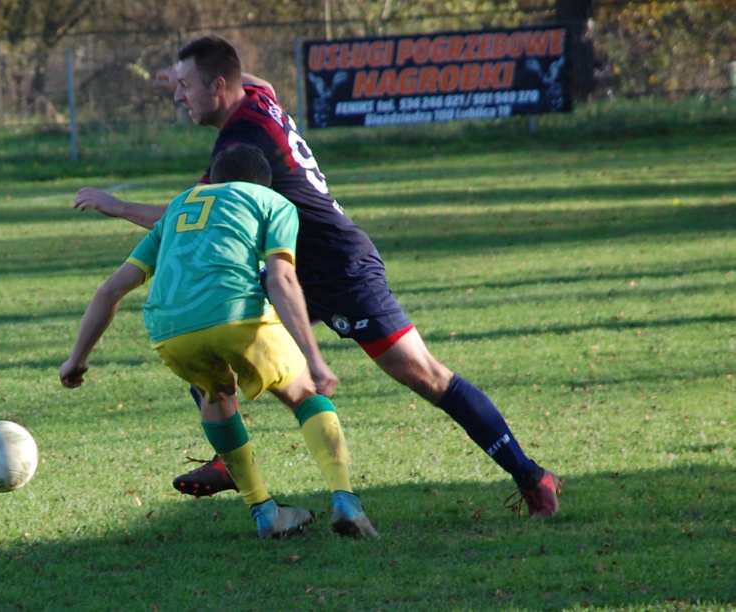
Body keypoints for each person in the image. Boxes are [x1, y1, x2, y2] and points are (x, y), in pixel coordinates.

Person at [73, 35, 561, 518]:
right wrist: (182, 75)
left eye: (185, 87)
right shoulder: (257, 99)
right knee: (210, 332)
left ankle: (530, 475)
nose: (178, 97)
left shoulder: (244, 140)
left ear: (219, 87)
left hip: (338, 268)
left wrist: (114, 206)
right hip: (285, 271)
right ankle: (228, 458)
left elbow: (191, 217)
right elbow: (256, 80)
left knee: (426, 376)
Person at [60, 144, 377, 539]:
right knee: (305, 393)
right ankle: (345, 500)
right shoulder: (272, 202)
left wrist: (77, 359)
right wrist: (314, 356)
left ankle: (264, 511)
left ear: (213, 181)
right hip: (234, 316)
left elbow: (110, 290)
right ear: (262, 183)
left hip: (170, 331)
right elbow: (281, 279)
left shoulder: (179, 207)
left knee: (215, 396)